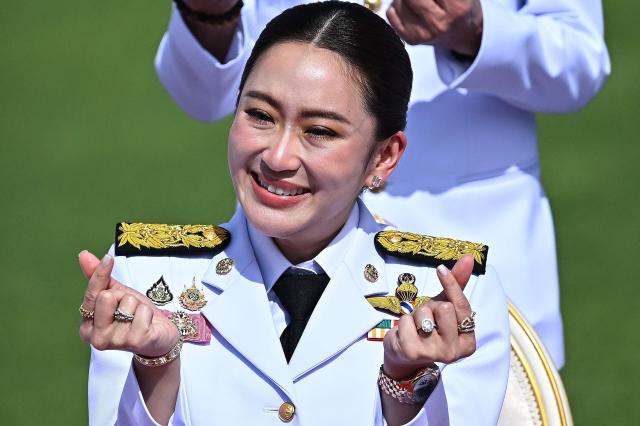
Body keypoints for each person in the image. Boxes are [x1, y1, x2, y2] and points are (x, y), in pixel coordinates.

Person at [79, 3, 510, 425]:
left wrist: (404, 381)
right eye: (260, 115)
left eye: (319, 131)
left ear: (384, 156)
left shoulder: (453, 292)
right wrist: (156, 366)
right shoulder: (144, 274)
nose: (279, 156)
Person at [154, 0, 611, 369]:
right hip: (290, 251)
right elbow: (208, 96)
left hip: (468, 255)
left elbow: (581, 60)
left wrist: (475, 29)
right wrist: (211, 12)